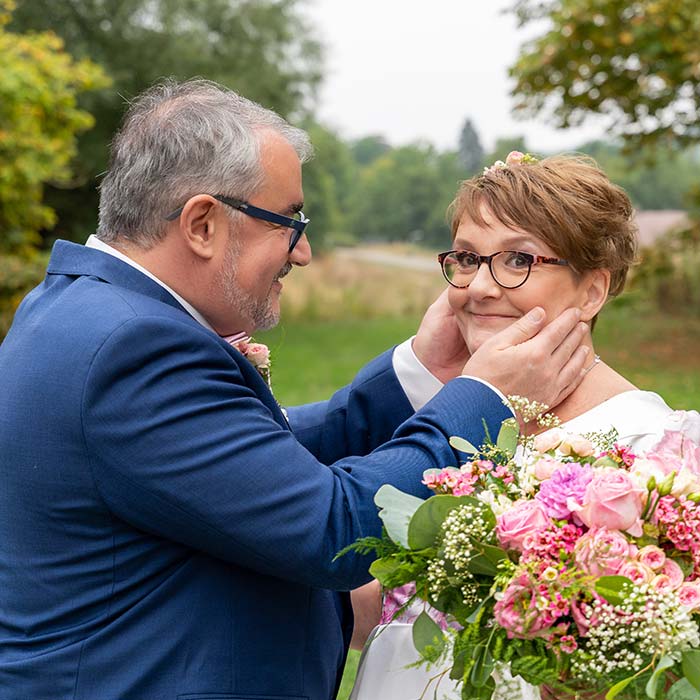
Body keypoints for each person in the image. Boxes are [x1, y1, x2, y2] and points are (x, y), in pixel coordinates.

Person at [0, 80, 589, 700]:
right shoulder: (135, 348)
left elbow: (245, 463)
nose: (303, 251)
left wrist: (419, 371)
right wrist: (485, 398)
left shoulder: (78, 310)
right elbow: (332, 529)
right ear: (202, 223)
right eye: (289, 222)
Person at [349, 151, 700, 700]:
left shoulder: (658, 454)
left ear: (592, 291)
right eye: (467, 258)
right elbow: (393, 609)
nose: (481, 288)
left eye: (519, 260)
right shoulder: (449, 428)